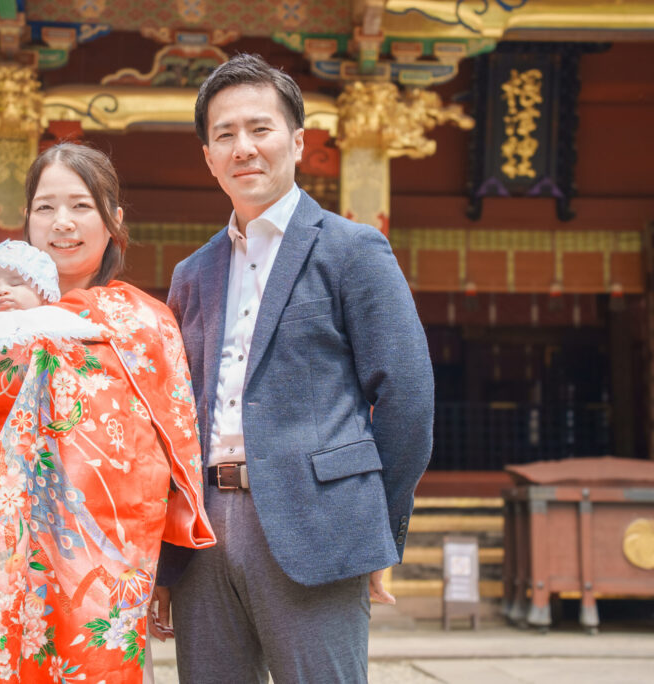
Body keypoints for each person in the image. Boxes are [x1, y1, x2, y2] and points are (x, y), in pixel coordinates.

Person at [0, 144, 215, 683]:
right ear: (27, 224)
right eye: (45, 207)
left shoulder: (141, 321)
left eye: (82, 206)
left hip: (98, 563)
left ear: (113, 222)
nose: (63, 223)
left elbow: (171, 444)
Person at [150, 54, 434, 682]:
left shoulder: (352, 250)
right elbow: (174, 418)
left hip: (319, 526)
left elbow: (407, 400)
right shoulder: (191, 275)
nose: (243, 148)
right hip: (202, 536)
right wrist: (166, 561)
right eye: (224, 135)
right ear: (207, 155)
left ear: (299, 142)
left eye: (260, 129)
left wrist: (373, 533)